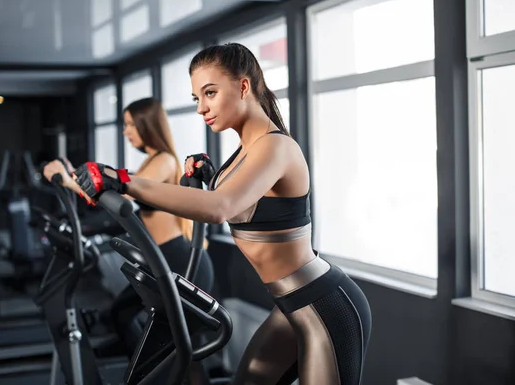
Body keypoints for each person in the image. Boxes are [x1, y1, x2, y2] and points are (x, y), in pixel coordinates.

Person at [44, 43, 372, 385]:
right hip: (290, 306)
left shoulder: (276, 146)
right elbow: (231, 198)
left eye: (210, 93)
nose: (202, 108)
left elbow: (220, 207)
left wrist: (125, 181)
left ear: (243, 86)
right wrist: (206, 172)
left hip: (326, 304)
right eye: (196, 98)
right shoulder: (245, 151)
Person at [56, 97, 214, 361]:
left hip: (180, 259)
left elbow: (127, 188)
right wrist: (74, 175)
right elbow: (119, 182)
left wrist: (68, 179)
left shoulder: (164, 161)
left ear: (147, 125)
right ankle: (143, 366)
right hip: (163, 258)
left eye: (130, 124)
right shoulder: (152, 161)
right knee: (148, 327)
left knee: (180, 344)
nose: (125, 131)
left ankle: (144, 367)